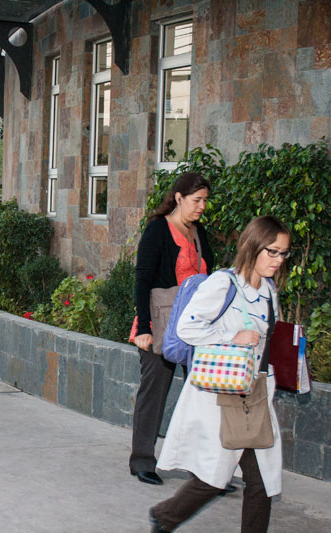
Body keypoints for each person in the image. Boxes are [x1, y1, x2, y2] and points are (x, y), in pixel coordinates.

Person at [149, 216, 291, 532]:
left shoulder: (268, 290)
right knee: (216, 476)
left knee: (262, 480)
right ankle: (165, 516)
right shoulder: (223, 284)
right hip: (224, 395)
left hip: (255, 393)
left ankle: (166, 516)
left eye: (283, 254)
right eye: (272, 252)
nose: (278, 260)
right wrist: (232, 336)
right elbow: (187, 327)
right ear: (253, 247)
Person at [131, 172, 213, 485]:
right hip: (160, 323)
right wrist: (144, 327)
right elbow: (142, 280)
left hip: (196, 326)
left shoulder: (199, 232)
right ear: (178, 198)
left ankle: (204, 467)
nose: (202, 206)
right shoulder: (158, 230)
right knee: (154, 392)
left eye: (205, 200)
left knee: (201, 394)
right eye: (197, 200)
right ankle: (142, 460)